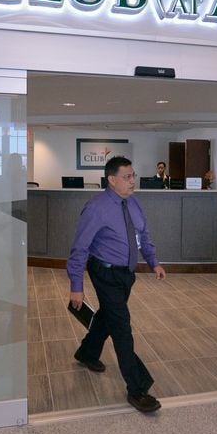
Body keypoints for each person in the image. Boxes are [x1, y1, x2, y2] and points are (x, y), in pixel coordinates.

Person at [67, 156, 167, 413]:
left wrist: (154, 262)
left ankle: (87, 353)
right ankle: (138, 388)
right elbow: (79, 249)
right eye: (127, 177)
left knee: (108, 316)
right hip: (105, 273)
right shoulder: (96, 208)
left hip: (126, 275)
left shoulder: (133, 204)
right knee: (122, 327)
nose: (133, 181)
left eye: (133, 175)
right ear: (112, 180)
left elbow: (143, 235)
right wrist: (76, 286)